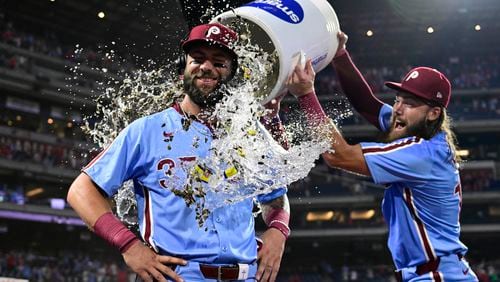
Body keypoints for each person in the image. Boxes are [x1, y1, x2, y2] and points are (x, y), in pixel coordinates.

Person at [67, 23, 294, 282]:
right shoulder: (146, 130)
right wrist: (128, 245)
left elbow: (276, 197)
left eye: (219, 62)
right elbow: (81, 191)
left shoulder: (250, 134)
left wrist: (278, 230)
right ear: (181, 70)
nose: (207, 67)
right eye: (197, 59)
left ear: (232, 76)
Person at [286, 32, 478, 281]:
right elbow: (366, 103)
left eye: (408, 102)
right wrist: (340, 55)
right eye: (397, 99)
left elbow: (338, 155)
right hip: (437, 273)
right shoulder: (423, 132)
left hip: (436, 276)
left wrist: (306, 95)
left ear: (433, 113)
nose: (397, 109)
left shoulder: (421, 153)